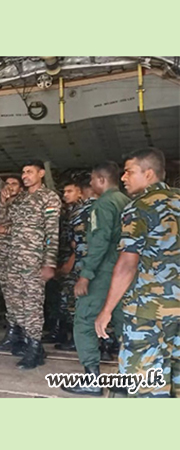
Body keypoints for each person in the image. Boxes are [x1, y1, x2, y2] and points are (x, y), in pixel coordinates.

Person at [95, 148, 180, 398]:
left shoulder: (139, 207)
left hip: (149, 313)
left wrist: (107, 311)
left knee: (146, 385)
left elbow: (127, 265)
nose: (123, 178)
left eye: (129, 172)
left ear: (149, 173)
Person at [61, 161, 129, 396]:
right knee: (124, 324)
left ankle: (92, 380)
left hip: (103, 273)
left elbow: (99, 243)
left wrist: (86, 276)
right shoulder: (126, 202)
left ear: (102, 180)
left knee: (83, 321)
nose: (89, 183)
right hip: (124, 273)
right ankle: (127, 378)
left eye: (91, 179)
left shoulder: (103, 204)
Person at [7, 160, 61, 369]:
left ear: (41, 174)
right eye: (23, 172)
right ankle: (31, 344)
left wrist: (49, 263)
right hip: (15, 259)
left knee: (32, 305)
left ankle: (34, 348)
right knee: (16, 304)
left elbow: (52, 232)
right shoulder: (20, 198)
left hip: (34, 261)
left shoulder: (49, 197)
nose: (24, 176)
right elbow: (7, 223)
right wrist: (5, 201)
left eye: (29, 172)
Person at [45, 179, 84, 349]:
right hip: (60, 261)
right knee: (57, 298)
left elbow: (81, 243)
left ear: (80, 192)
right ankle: (58, 332)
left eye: (70, 191)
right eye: (64, 192)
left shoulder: (82, 212)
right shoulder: (66, 212)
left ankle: (77, 338)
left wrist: (70, 263)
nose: (65, 195)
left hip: (74, 263)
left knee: (71, 300)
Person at [0, 175, 25, 353]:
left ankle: (24, 335)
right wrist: (2, 202)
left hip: (17, 255)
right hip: (2, 255)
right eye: (7, 184)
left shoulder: (25, 202)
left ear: (21, 188)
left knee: (19, 296)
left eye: (14, 184)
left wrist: (5, 229)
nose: (9, 187)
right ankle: (12, 334)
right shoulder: (3, 202)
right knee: (8, 296)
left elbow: (27, 226)